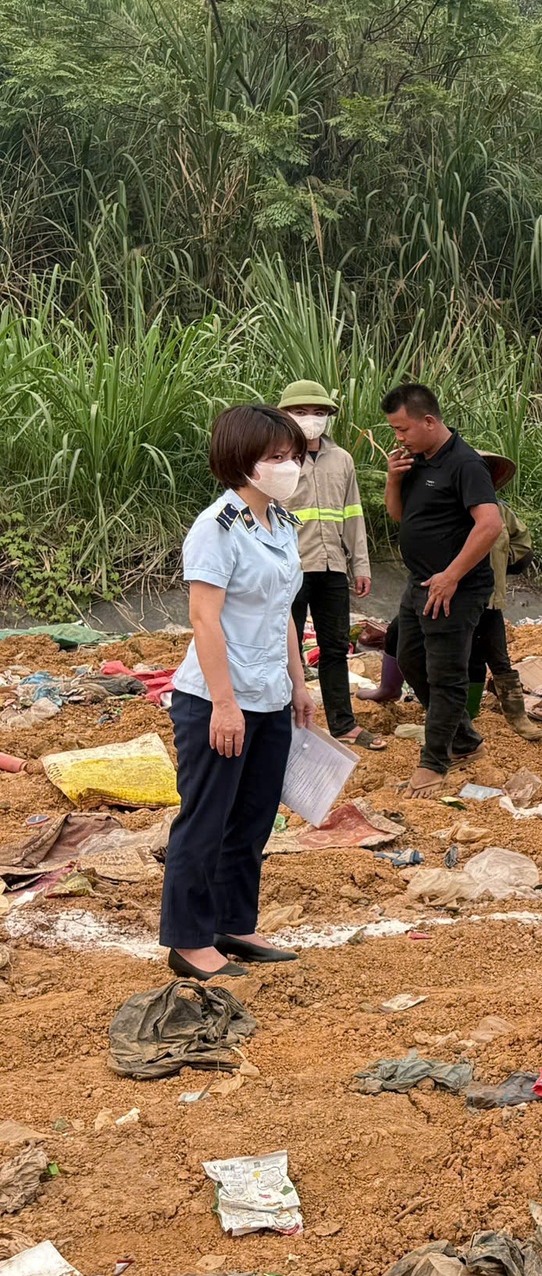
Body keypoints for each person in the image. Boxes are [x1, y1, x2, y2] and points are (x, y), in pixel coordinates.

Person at [159, 405, 315, 979]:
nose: (287, 467)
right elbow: (205, 619)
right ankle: (189, 939)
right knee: (206, 819)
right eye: (275, 457)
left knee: (252, 818)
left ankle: (233, 922)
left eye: (293, 456)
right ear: (240, 461)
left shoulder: (280, 524)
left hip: (270, 693)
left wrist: (299, 684)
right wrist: (224, 704)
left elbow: (283, 615)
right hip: (217, 698)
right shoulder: (215, 527)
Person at [381, 382, 502, 797]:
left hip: (455, 588)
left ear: (429, 421)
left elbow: (490, 525)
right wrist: (393, 480)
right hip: (420, 583)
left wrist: (452, 575)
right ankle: (465, 739)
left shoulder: (466, 464)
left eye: (402, 429)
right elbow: (400, 515)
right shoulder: (417, 461)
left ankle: (435, 764)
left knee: (446, 674)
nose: (398, 438)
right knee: (409, 657)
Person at [277, 379, 382, 752]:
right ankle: (283, 723)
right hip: (289, 568)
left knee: (335, 647)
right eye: (301, 412)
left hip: (332, 566)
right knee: (281, 648)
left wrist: (362, 565)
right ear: (284, 416)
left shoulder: (342, 460)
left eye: (319, 413)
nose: (311, 420)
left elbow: (353, 514)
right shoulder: (277, 461)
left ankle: (344, 724)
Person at [465, 449, 542, 741]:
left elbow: (523, 543)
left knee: (498, 658)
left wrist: (502, 559)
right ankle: (465, 716)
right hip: (458, 599)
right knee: (464, 659)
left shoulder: (501, 511)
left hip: (491, 600)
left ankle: (517, 717)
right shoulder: (449, 508)